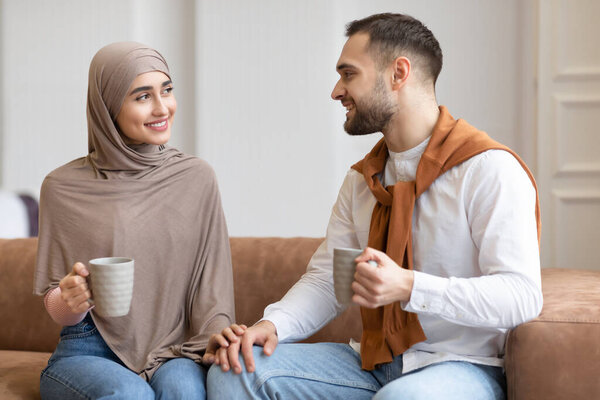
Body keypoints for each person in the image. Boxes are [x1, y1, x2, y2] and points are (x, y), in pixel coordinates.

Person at [206, 13, 542, 400]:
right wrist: (273, 324)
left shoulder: (488, 169)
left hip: (460, 365)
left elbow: (521, 296)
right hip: (371, 364)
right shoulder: (362, 180)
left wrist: (409, 285)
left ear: (398, 73)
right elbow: (328, 281)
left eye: (349, 74)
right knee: (234, 373)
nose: (336, 90)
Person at [33, 42, 235, 399]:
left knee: (185, 393)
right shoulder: (62, 187)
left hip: (175, 350)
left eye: (167, 91)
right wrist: (71, 300)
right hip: (87, 348)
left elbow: (212, 282)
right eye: (142, 96)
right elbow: (55, 300)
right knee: (130, 396)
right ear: (108, 106)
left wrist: (216, 334)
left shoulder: (196, 177)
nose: (162, 108)